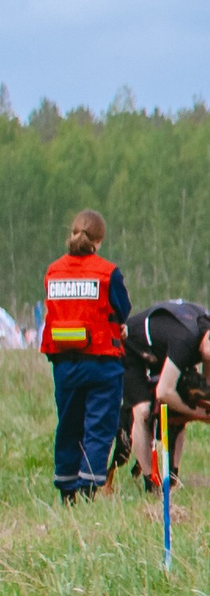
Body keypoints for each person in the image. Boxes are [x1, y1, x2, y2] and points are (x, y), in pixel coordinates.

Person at [40, 210, 130, 501]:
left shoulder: (53, 271)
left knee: (68, 424)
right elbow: (122, 308)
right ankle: (89, 487)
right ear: (99, 240)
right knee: (98, 426)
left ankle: (67, 490)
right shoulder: (107, 272)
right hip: (102, 363)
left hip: (65, 364)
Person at [119, 299, 210, 492]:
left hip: (163, 350)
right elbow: (164, 392)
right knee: (143, 411)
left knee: (180, 413)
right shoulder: (185, 341)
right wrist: (198, 414)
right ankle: (150, 482)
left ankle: (173, 477)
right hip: (134, 350)